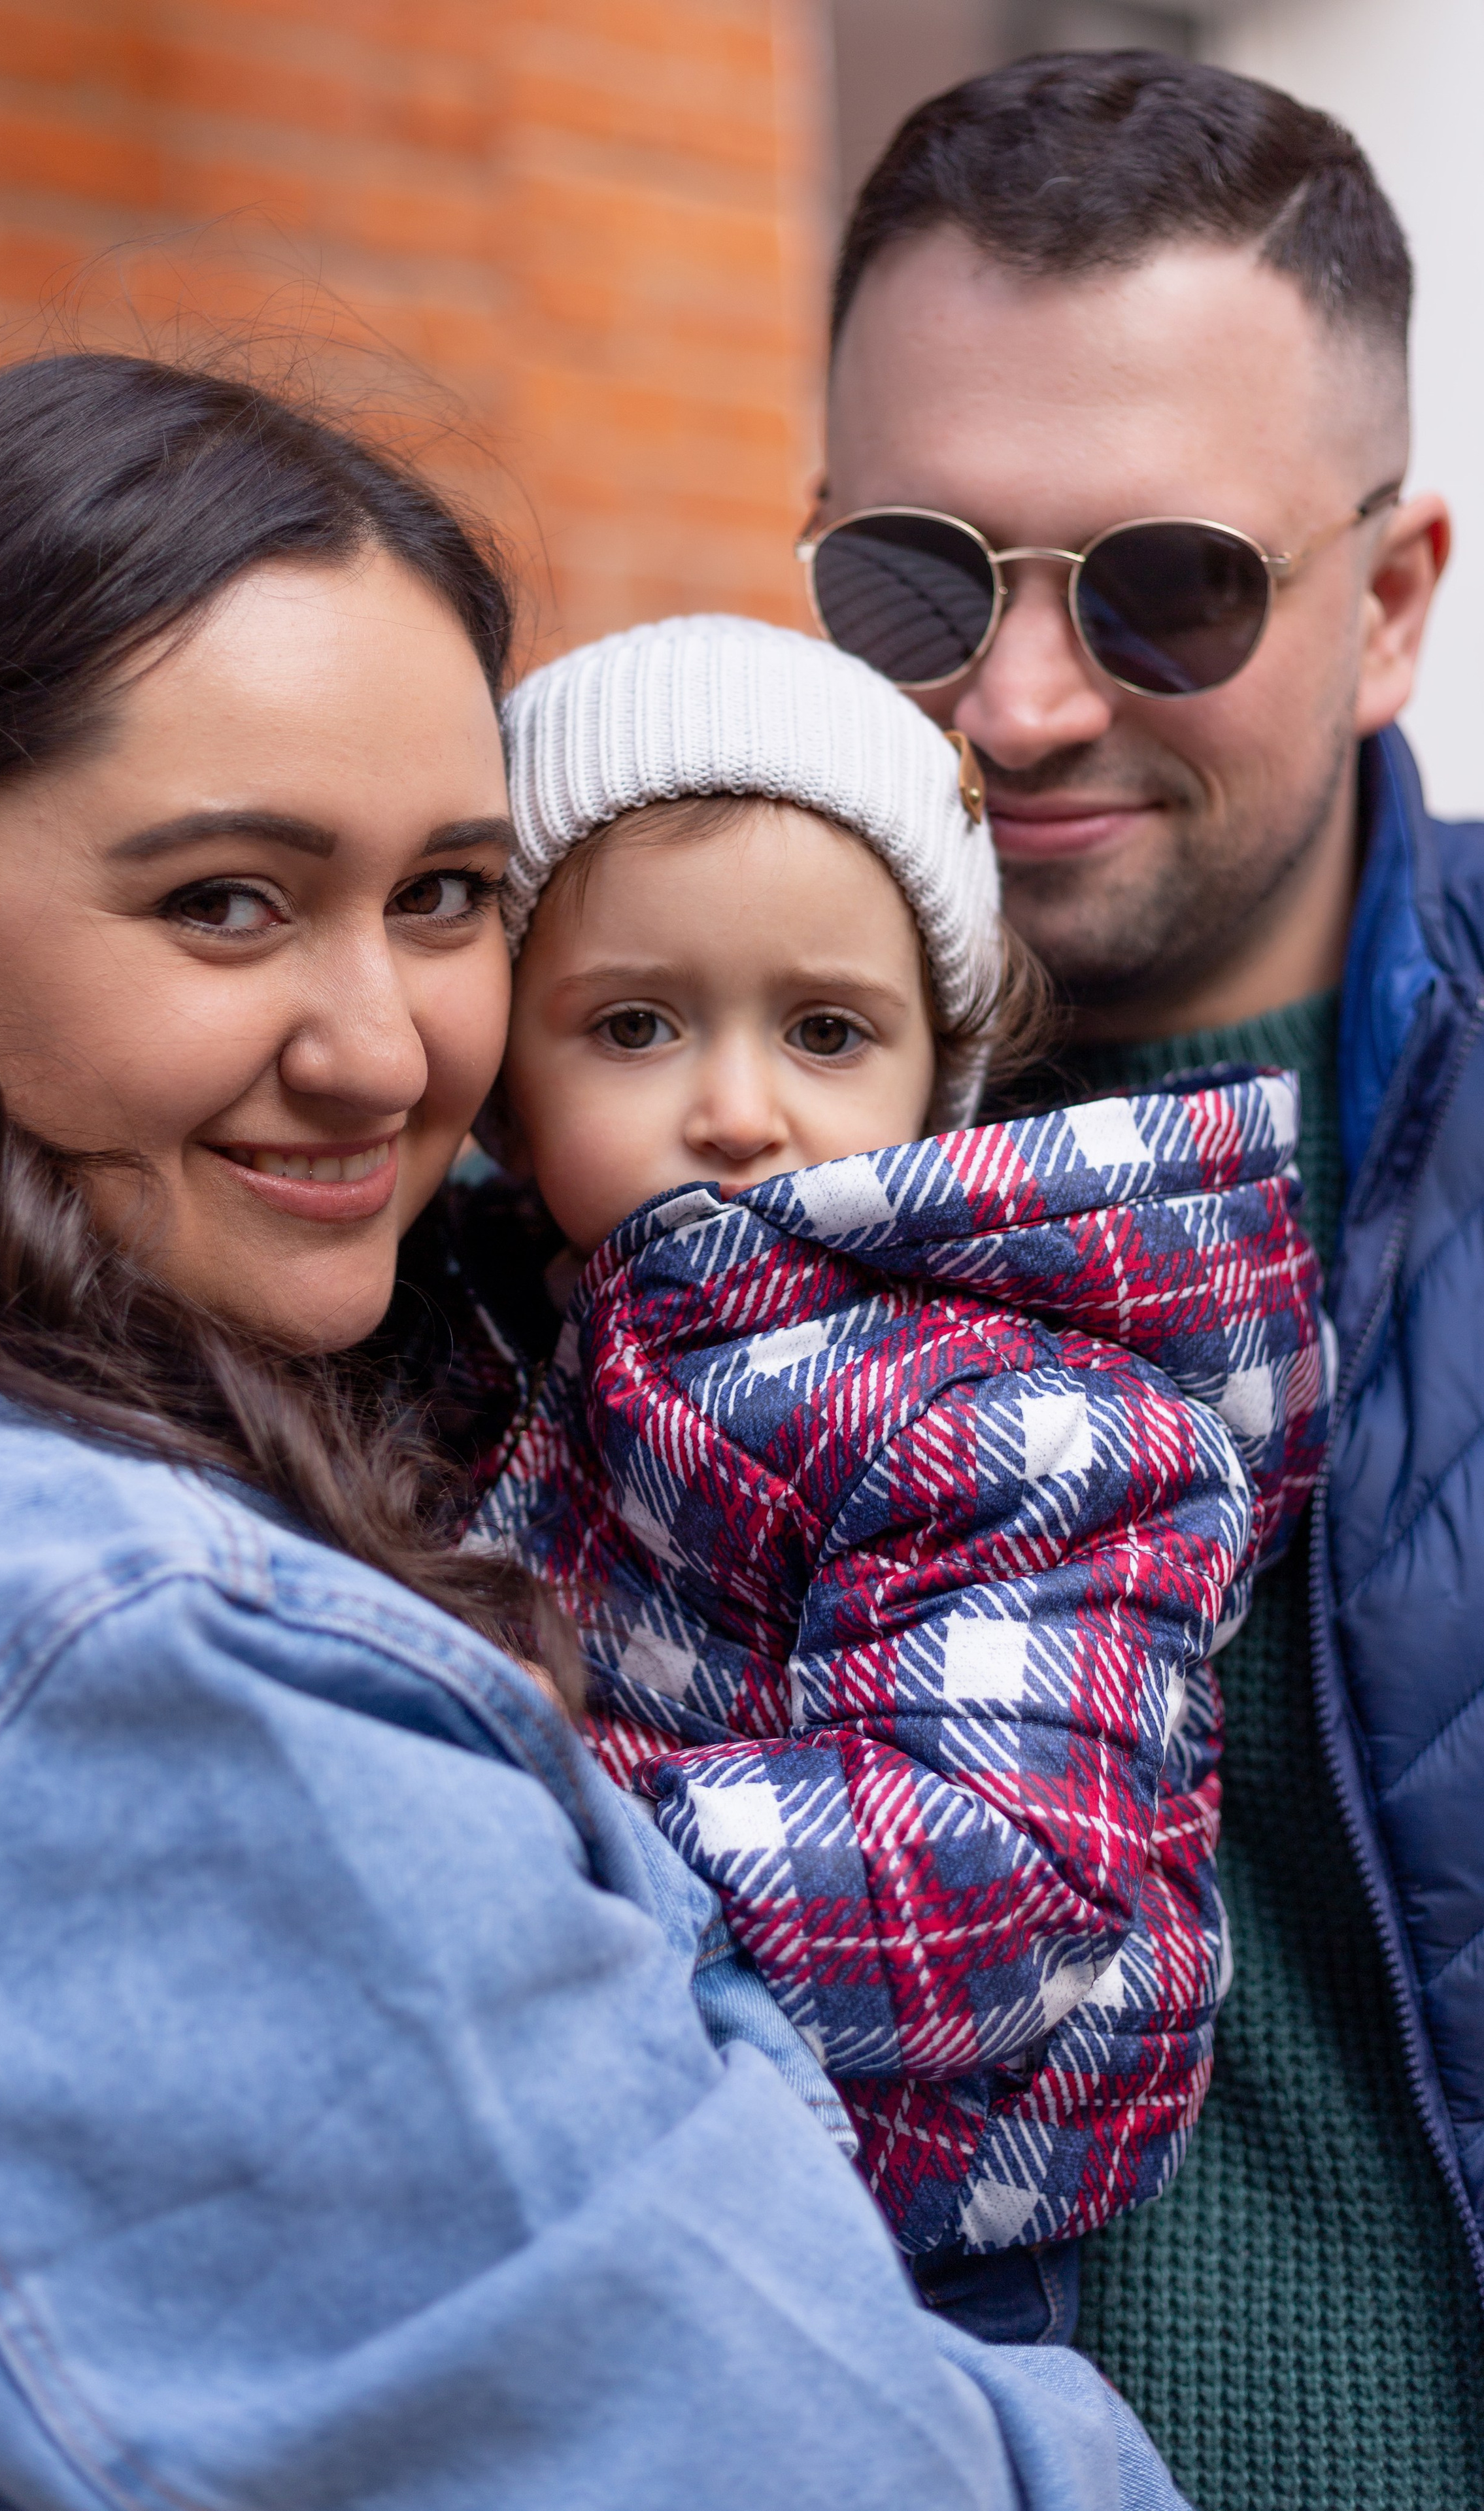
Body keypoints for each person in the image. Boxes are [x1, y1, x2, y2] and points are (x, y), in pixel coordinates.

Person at [0, 346, 1192, 2511]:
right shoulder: (96, 1651)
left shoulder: (247, 1383)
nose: (380, 1049)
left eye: (446, 895)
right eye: (225, 901)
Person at [807, 46, 1484, 2510]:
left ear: (1392, 602)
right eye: (913, 578)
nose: (1018, 705)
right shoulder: (618, 1137)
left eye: (1167, 586)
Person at [464, 607, 1329, 2340]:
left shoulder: (1013, 1416)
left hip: (917, 2238)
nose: (737, 1107)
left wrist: (501, 1829)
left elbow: (1004, 1864)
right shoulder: (516, 1331)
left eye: (827, 1033)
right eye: (635, 1025)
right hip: (639, 2134)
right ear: (500, 1083)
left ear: (945, 1074)